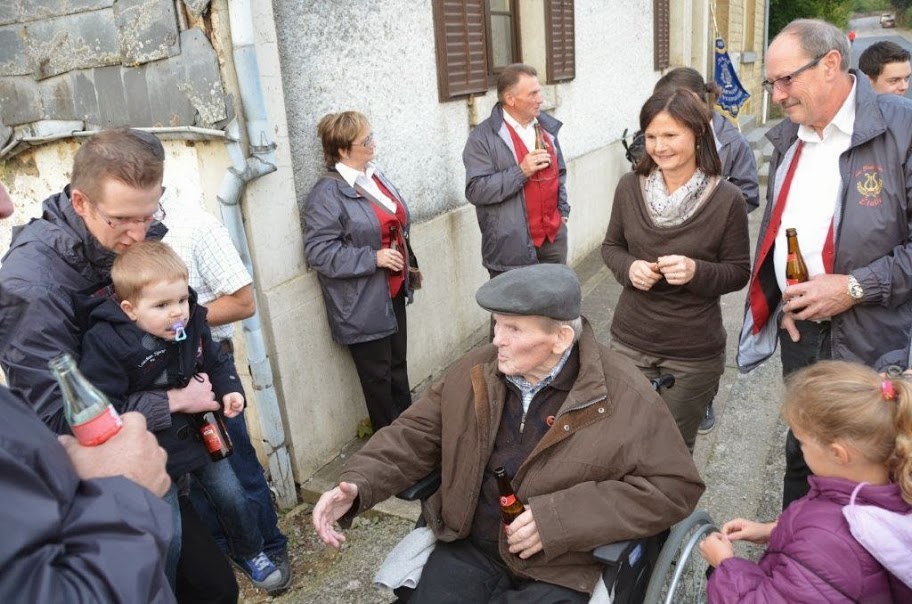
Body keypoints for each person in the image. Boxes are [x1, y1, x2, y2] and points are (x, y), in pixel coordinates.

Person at [312, 263, 704, 602]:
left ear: (561, 339)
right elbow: (416, 433)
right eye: (497, 324)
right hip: (471, 545)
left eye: (514, 328)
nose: (497, 339)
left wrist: (557, 520)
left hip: (561, 564)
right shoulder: (477, 370)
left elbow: (675, 487)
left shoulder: (624, 395)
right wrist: (358, 483)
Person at [737, 18, 912, 510]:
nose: (776, 95)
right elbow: (784, 236)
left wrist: (853, 287)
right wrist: (782, 302)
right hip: (804, 332)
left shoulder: (903, 128)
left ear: (831, 64)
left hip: (874, 341)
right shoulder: (790, 138)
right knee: (804, 453)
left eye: (786, 80)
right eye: (772, 83)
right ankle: (797, 555)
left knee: (870, 468)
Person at [0, 181, 176, 603]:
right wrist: (126, 495)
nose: (6, 205)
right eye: (123, 218)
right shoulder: (32, 284)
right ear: (82, 203)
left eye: (148, 215)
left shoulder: (122, 251)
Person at [77, 240, 285, 592]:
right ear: (129, 309)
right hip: (153, 454)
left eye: (181, 300)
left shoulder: (192, 320)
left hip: (204, 435)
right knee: (169, 530)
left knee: (233, 496)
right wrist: (170, 401)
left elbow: (216, 360)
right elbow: (103, 410)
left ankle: (251, 551)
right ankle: (165, 591)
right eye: (161, 305)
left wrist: (230, 389)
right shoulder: (106, 343)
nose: (177, 312)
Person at [601, 87, 751, 452]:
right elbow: (611, 247)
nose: (658, 146)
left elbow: (738, 271)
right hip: (629, 342)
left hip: (691, 354)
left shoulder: (727, 198)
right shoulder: (628, 188)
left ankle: (673, 512)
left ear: (697, 134)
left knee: (672, 452)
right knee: (624, 442)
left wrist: (695, 271)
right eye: (651, 136)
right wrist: (629, 267)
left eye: (670, 135)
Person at [699, 361, 912, 602]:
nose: (800, 448)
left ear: (838, 454)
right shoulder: (893, 477)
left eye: (802, 441)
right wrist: (771, 530)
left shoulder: (826, 546)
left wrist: (725, 564)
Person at [164, 204, 292, 591]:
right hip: (163, 390)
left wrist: (179, 319)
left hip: (207, 372)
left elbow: (242, 301)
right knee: (195, 484)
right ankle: (225, 549)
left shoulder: (194, 224)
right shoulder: (114, 245)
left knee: (234, 469)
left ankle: (267, 546)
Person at [653, 67, 760, 435]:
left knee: (701, 323)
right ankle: (662, 387)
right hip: (662, 249)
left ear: (700, 101)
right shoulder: (660, 134)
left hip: (709, 254)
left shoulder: (732, 141)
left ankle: (703, 395)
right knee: (664, 313)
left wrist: (713, 220)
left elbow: (748, 192)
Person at [303, 111, 417, 431]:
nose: (373, 144)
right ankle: (388, 450)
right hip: (360, 301)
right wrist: (373, 258)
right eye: (365, 141)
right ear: (342, 150)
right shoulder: (326, 195)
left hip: (391, 290)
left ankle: (410, 437)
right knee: (378, 381)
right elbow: (320, 253)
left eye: (371, 136)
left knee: (397, 367)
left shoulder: (374, 176)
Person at [463, 63, 569, 277]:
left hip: (553, 240)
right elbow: (476, 190)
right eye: (533, 94)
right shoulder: (482, 138)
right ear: (511, 99)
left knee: (553, 307)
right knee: (514, 310)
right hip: (510, 249)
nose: (541, 99)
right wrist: (521, 172)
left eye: (540, 91)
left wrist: (563, 212)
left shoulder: (546, 127)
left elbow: (560, 173)